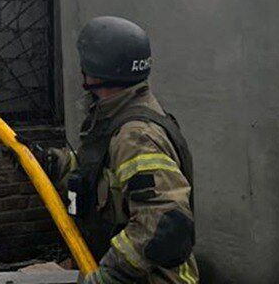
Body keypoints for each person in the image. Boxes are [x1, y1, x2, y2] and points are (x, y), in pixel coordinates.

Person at [32, 16, 198, 284]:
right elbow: (100, 179)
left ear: (96, 70)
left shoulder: (135, 136)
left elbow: (163, 221)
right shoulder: (116, 120)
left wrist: (109, 276)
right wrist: (54, 164)